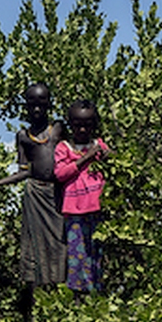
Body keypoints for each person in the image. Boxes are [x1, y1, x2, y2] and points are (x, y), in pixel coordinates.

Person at [9, 83, 65, 321]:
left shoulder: (59, 128)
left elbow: (74, 153)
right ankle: (35, 317)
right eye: (32, 104)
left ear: (48, 105)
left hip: (58, 195)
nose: (37, 109)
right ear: (26, 106)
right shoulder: (23, 136)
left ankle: (61, 312)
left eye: (41, 103)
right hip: (34, 196)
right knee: (33, 255)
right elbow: (24, 170)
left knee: (60, 249)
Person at [52, 99, 109, 295]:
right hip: (75, 212)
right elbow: (60, 174)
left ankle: (96, 297)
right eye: (77, 124)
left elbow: (114, 162)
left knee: (97, 256)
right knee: (77, 256)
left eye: (87, 124)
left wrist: (105, 154)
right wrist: (86, 157)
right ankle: (78, 298)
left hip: (98, 210)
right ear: (70, 124)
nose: (83, 129)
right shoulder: (64, 147)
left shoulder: (99, 145)